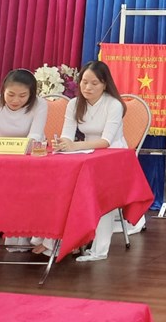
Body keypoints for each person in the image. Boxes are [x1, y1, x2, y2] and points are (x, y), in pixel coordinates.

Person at [35, 60, 128, 262]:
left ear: (105, 84)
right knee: (60, 185)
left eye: (94, 83)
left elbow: (106, 141)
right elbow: (67, 134)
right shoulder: (74, 104)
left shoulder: (113, 105)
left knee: (99, 194)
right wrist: (62, 143)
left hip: (114, 155)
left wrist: (74, 146)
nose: (88, 88)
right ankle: (59, 239)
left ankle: (98, 250)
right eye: (84, 82)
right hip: (86, 153)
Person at [0, 69, 48, 254]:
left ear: (31, 95)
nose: (15, 100)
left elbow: (34, 138)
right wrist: (4, 148)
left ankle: (31, 233)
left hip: (30, 159)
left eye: (23, 96)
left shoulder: (40, 104)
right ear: (3, 90)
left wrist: (8, 147)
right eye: (11, 94)